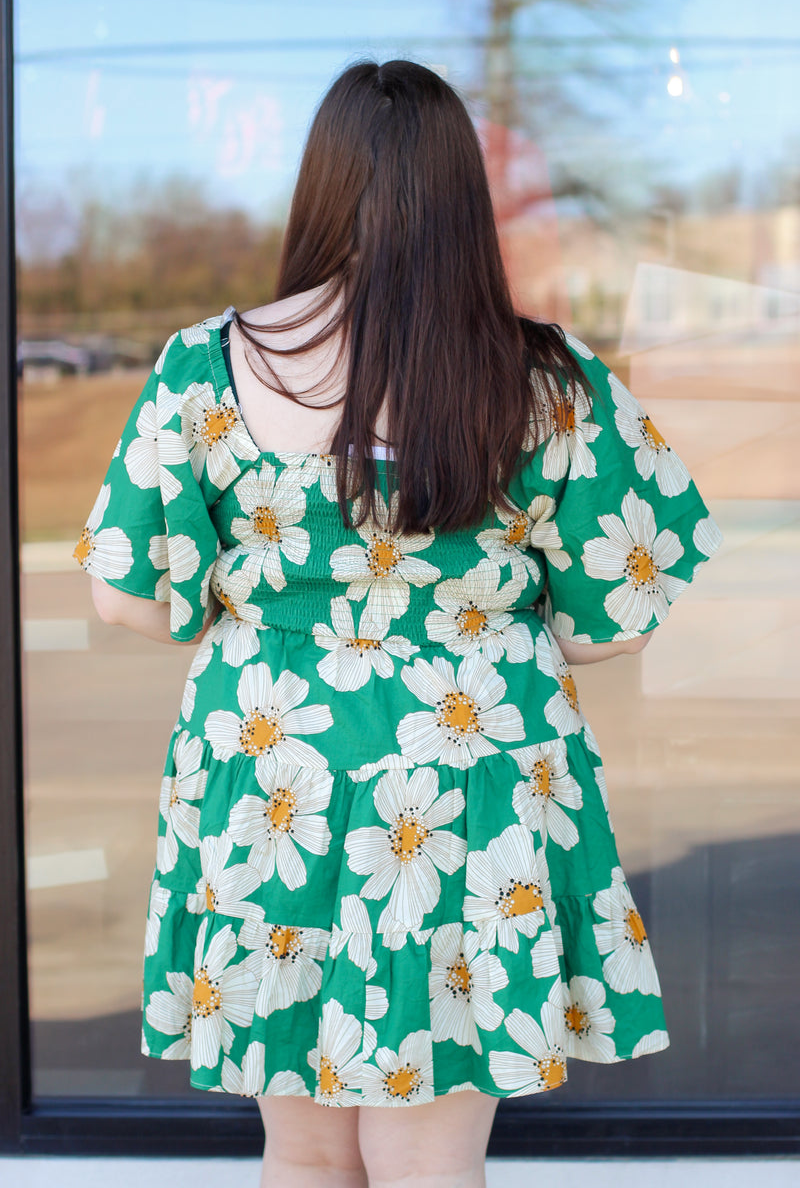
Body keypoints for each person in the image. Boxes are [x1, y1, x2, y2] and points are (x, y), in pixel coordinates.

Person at [76, 59, 721, 1188]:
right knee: (433, 1159)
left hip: (271, 768)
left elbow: (124, 596)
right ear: (460, 195)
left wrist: (279, 625)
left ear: (322, 190)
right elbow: (621, 615)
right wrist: (476, 636)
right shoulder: (550, 381)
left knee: (304, 1153)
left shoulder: (201, 365)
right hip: (477, 781)